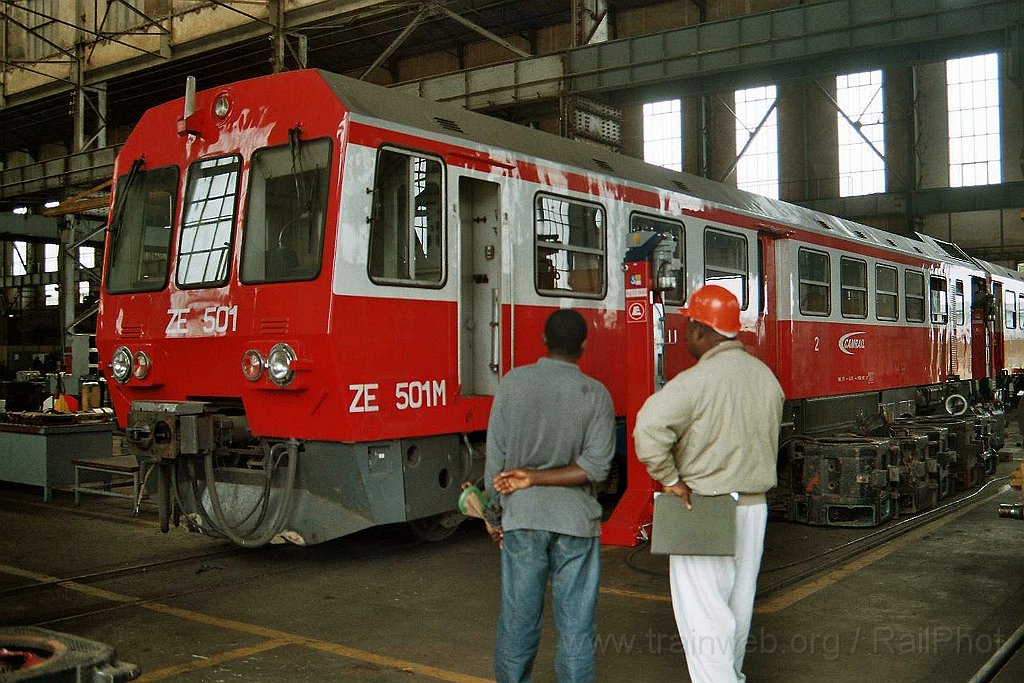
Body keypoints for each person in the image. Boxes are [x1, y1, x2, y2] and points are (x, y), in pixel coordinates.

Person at [633, 284, 784, 683]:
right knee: (737, 611)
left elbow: (648, 430)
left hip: (704, 507)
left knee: (704, 620)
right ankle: (733, 676)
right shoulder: (765, 377)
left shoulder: (696, 381)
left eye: (688, 327)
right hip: (753, 507)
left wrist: (669, 479)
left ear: (701, 330)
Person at [485, 308, 616, 683]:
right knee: (576, 625)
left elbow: (496, 464)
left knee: (518, 619)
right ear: (584, 347)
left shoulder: (512, 384)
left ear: (543, 340)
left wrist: (495, 517)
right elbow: (595, 469)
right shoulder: (596, 395)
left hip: (523, 519)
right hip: (576, 522)